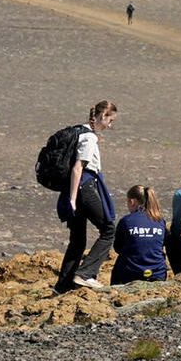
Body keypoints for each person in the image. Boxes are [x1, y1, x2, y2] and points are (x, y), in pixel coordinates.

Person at [55, 100, 118, 292]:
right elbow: (77, 168)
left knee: (78, 239)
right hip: (84, 188)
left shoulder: (79, 131)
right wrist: (73, 199)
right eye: (110, 120)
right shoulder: (88, 138)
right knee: (108, 230)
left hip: (74, 189)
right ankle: (85, 274)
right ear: (102, 116)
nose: (111, 125)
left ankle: (62, 286)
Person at [109, 184, 167, 285]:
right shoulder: (160, 221)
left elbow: (118, 247)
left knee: (122, 258)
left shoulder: (126, 221)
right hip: (157, 273)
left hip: (131, 273)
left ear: (132, 202)